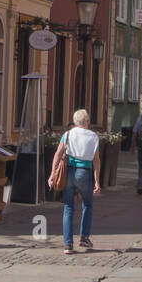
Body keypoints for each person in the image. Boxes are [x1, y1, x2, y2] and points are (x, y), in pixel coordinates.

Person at [50, 109, 101, 255]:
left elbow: (58, 154)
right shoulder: (93, 137)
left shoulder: (67, 134)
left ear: (74, 121)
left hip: (68, 172)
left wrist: (52, 174)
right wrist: (97, 181)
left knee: (68, 207)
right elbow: (96, 161)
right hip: (84, 172)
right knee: (88, 204)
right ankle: (84, 237)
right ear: (87, 122)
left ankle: (68, 245)